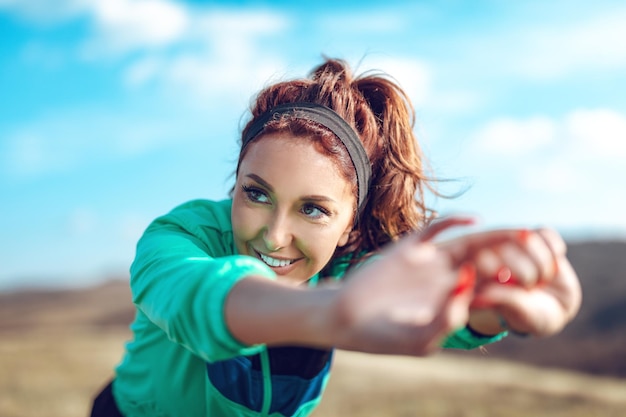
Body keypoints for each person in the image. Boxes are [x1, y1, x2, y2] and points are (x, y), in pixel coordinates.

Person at [90, 58, 581, 417]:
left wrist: (501, 297)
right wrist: (332, 313)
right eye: (256, 194)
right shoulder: (179, 236)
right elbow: (197, 298)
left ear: (349, 224)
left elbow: (438, 307)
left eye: (312, 209)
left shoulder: (351, 269)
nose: (274, 235)